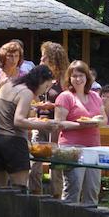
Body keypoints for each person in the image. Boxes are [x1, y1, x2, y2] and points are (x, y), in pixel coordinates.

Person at [0, 65, 62, 188]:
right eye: (46, 86)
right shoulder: (26, 92)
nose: (45, 91)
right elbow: (18, 121)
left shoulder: (8, 85)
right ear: (39, 81)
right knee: (19, 189)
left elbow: (9, 115)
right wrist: (44, 125)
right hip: (13, 142)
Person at [55, 60, 103, 204]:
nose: (78, 79)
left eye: (81, 75)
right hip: (72, 148)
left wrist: (97, 120)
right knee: (73, 189)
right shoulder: (65, 97)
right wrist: (81, 125)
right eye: (74, 76)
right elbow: (59, 123)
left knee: (92, 190)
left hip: (93, 148)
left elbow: (104, 119)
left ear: (87, 77)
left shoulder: (95, 96)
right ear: (69, 78)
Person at [30, 42, 67, 196]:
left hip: (56, 125)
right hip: (40, 123)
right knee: (34, 164)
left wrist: (53, 105)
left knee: (56, 164)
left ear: (53, 58)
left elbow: (67, 100)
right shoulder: (42, 76)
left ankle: (56, 198)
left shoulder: (64, 78)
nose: (41, 59)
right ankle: (34, 195)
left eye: (44, 56)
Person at [0, 41, 24, 111]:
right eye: (10, 56)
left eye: (16, 56)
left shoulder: (24, 76)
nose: (14, 60)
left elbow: (32, 100)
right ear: (3, 57)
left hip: (18, 114)